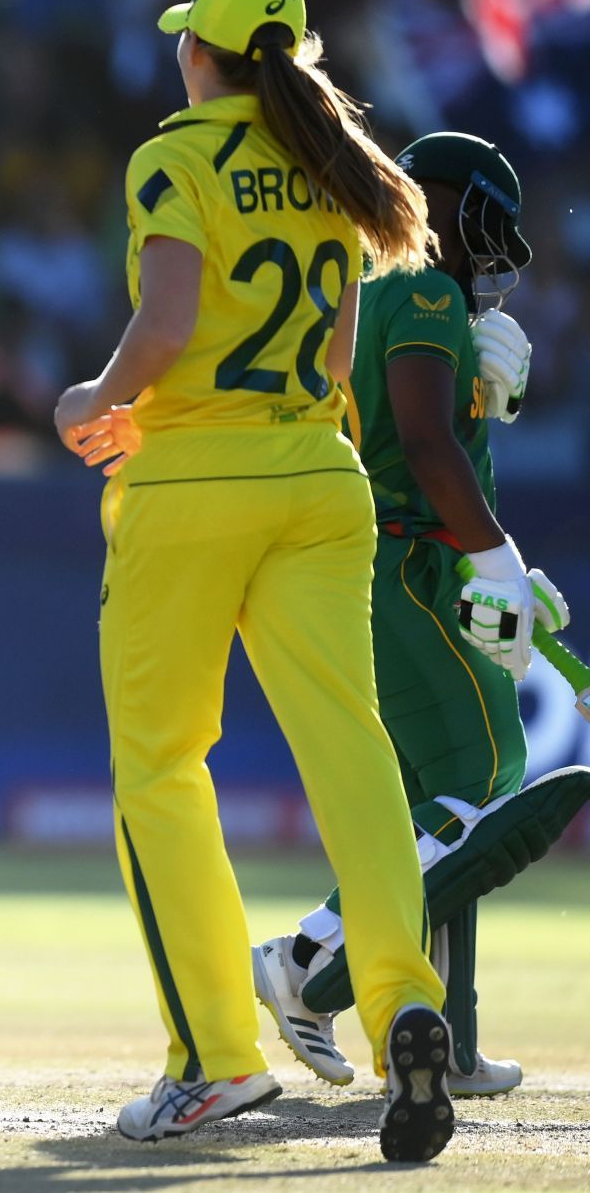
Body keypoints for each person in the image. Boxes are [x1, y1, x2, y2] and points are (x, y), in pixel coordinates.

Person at [54, 0, 452, 1162]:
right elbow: (333, 356)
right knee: (353, 752)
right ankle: (403, 1004)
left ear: (200, 57)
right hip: (319, 482)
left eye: (187, 41)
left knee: (162, 769)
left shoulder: (175, 155)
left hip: (191, 489)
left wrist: (99, 396)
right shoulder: (332, 164)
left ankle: (217, 1057)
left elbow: (168, 318)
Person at [250, 132, 587, 1098]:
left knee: (430, 811)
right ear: (453, 203)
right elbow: (431, 451)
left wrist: (495, 544)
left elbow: (431, 440)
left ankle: (452, 1037)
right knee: (484, 779)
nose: (504, 257)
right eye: (496, 225)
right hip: (408, 562)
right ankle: (310, 959)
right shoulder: (429, 287)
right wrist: (498, 558)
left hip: (382, 555)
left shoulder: (365, 282)